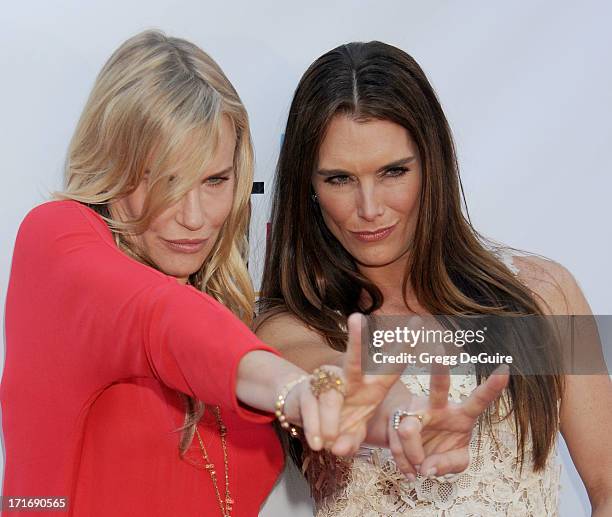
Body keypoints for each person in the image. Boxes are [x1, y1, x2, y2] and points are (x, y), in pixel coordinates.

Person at [0, 31, 410, 517]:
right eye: (163, 181)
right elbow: (157, 317)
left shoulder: (227, 312)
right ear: (109, 164)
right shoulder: (57, 236)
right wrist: (293, 390)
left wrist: (398, 419)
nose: (194, 217)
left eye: (215, 180)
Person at [256, 41, 612, 516]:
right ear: (310, 188)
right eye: (339, 179)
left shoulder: (544, 294)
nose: (369, 208)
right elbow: (333, 376)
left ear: (432, 164)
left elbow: (608, 482)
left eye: (393, 172)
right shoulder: (293, 326)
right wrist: (399, 416)